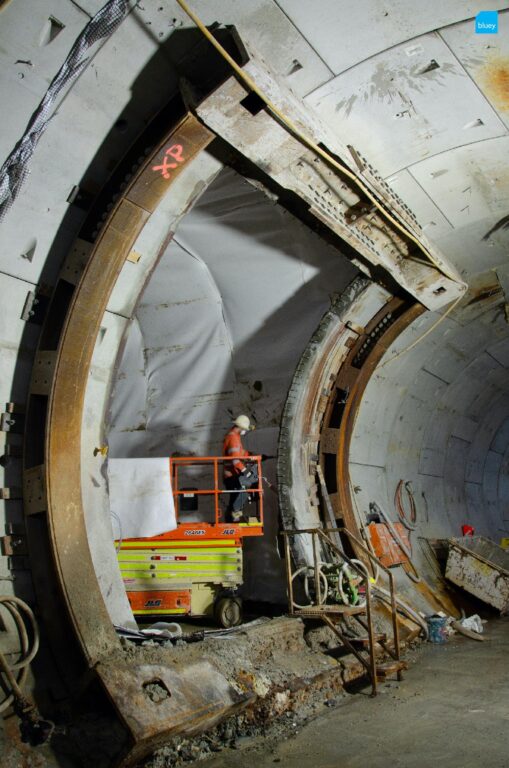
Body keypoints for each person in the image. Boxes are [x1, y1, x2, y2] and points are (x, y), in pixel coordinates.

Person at [222, 414, 258, 522]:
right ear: (240, 427)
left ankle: (233, 519)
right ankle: (233, 520)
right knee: (242, 491)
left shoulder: (234, 436)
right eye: (245, 429)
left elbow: (240, 453)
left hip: (232, 473)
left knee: (237, 498)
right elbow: (235, 460)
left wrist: (251, 454)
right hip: (231, 474)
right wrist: (246, 471)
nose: (245, 431)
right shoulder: (233, 438)